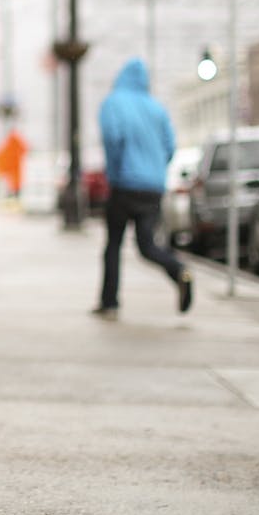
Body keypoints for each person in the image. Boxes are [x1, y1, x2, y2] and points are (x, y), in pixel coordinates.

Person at [93, 57, 193, 320]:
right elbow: (169, 148)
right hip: (152, 187)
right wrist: (155, 170)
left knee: (113, 245)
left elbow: (113, 140)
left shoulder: (113, 103)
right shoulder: (157, 108)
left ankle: (109, 302)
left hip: (124, 184)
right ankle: (178, 269)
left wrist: (115, 174)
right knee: (147, 245)